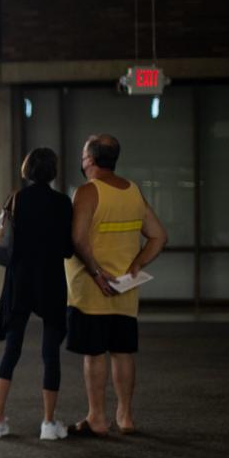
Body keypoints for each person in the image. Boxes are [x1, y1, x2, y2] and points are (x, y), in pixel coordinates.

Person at [65, 134, 168, 437]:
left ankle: (97, 418)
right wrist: (135, 266)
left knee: (94, 354)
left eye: (84, 155)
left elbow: (78, 239)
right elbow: (159, 236)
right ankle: (125, 417)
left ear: (90, 160)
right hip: (124, 290)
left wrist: (97, 273)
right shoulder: (133, 192)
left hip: (91, 290)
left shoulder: (87, 192)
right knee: (123, 352)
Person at [0, 148, 74, 441]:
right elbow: (67, 249)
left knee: (11, 350)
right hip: (50, 281)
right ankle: (49, 424)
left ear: (27, 169)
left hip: (20, 281)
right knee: (50, 353)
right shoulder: (62, 203)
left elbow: (6, 243)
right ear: (53, 171)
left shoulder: (16, 199)